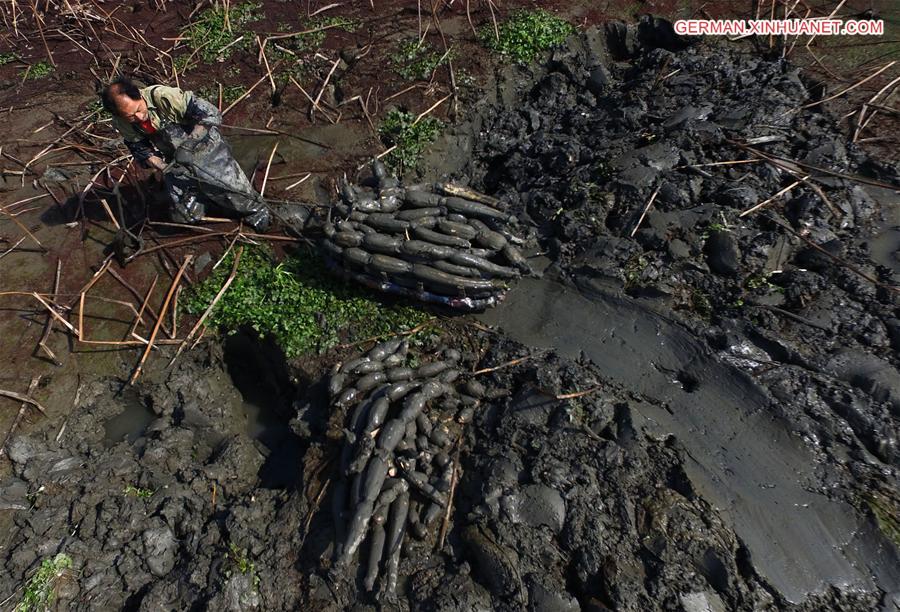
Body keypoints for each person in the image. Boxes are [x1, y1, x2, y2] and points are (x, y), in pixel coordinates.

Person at [101, 77, 271, 230]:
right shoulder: (122, 123)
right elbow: (140, 150)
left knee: (239, 197)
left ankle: (257, 211)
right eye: (130, 116)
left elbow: (211, 114)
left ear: (139, 95)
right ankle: (205, 198)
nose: (138, 117)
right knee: (184, 215)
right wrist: (165, 167)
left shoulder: (163, 96)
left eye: (138, 109)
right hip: (176, 161)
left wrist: (188, 145)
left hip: (207, 148)